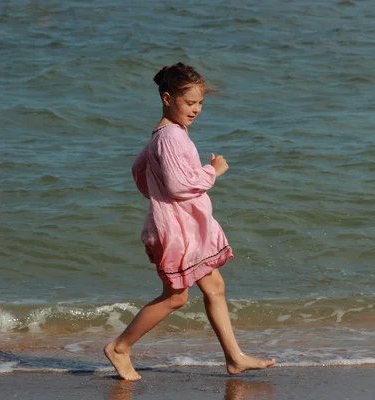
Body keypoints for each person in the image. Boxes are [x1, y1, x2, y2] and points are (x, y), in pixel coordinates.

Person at [104, 62, 275, 381]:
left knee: (215, 288)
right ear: (168, 98)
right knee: (175, 297)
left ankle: (235, 358)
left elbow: (139, 171)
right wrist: (214, 171)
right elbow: (177, 185)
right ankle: (119, 347)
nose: (196, 110)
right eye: (189, 103)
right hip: (179, 233)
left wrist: (160, 204)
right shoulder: (171, 136)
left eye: (200, 104)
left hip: (184, 227)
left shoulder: (163, 134)